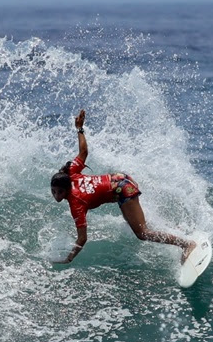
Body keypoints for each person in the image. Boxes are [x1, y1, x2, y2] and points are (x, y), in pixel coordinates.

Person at [51, 109, 195, 265]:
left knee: (142, 233)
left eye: (60, 192)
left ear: (67, 189)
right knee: (133, 221)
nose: (57, 195)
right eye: (54, 192)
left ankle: (186, 245)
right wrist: (79, 128)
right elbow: (84, 152)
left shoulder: (76, 204)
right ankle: (176, 230)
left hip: (123, 189)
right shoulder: (71, 173)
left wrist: (69, 258)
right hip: (121, 178)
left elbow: (83, 238)